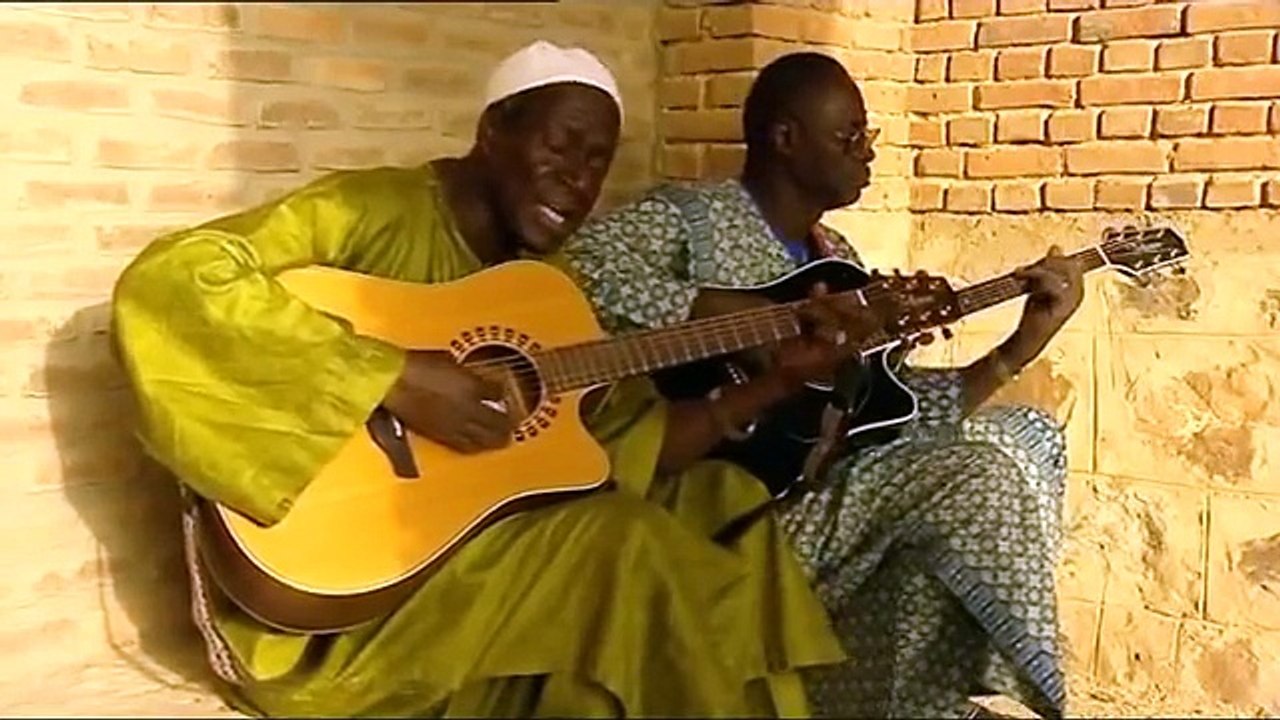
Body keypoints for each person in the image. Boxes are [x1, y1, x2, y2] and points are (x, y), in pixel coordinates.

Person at [111, 42, 888, 718]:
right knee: (621, 544)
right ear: (493, 131)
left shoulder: (548, 290)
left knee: (727, 500)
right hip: (344, 618)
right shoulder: (374, 210)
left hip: (484, 561)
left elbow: (630, 443)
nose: (577, 182)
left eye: (597, 163)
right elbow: (177, 280)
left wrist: (775, 383)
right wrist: (394, 377)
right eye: (561, 147)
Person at [560, 51, 1083, 719]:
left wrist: (1019, 347)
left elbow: (886, 417)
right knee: (977, 473)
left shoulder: (841, 263)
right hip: (722, 511)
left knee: (1028, 432)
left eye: (868, 135)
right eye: (849, 135)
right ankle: (1046, 692)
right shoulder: (692, 218)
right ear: (785, 138)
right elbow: (578, 269)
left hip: (824, 496)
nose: (867, 152)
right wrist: (737, 322)